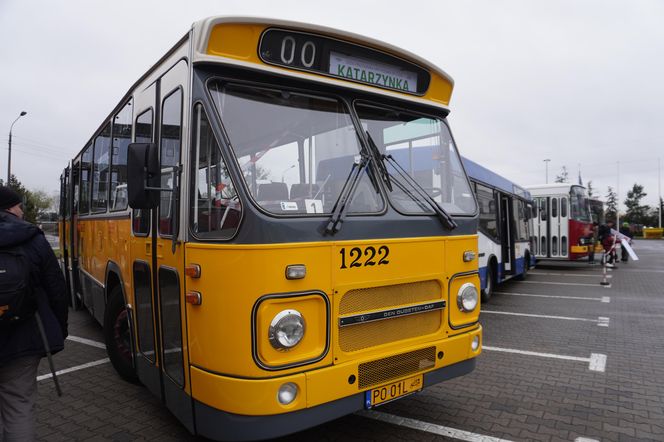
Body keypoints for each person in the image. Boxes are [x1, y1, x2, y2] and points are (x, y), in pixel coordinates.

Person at [0, 186, 68, 441]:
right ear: (9, 208)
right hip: (23, 338)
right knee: (19, 405)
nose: (22, 211)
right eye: (20, 206)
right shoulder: (31, 238)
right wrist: (60, 330)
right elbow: (57, 291)